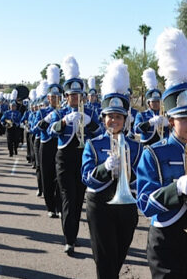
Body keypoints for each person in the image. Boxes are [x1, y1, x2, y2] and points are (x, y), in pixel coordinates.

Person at [82, 60, 142, 278]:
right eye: (110, 116)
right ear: (103, 118)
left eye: (118, 117)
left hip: (126, 207)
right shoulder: (93, 144)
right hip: (99, 205)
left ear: (125, 120)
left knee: (118, 257)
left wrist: (128, 172)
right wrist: (105, 168)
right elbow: (87, 177)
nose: (114, 120)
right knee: (105, 260)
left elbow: (141, 178)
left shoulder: (135, 147)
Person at [137, 27, 187, 278]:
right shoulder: (154, 154)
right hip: (166, 240)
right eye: (184, 119)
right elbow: (145, 203)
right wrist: (177, 188)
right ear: (170, 120)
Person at [49, 55, 101, 255]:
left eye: (79, 95)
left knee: (79, 198)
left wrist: (90, 122)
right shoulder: (60, 111)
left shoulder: (90, 112)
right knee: (68, 196)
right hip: (64, 157)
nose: (76, 98)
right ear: (67, 96)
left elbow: (99, 133)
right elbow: (53, 130)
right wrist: (64, 121)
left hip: (83, 157)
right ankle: (69, 238)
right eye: (72, 95)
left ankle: (73, 233)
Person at [36, 64, 63, 218]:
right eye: (52, 97)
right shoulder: (42, 111)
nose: (54, 99)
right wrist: (44, 121)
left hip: (60, 145)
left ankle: (59, 205)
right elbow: (34, 129)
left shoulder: (64, 111)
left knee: (59, 177)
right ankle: (50, 206)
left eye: (57, 97)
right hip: (46, 145)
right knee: (47, 176)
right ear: (48, 98)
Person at [134, 68, 169, 145]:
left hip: (163, 144)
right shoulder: (141, 115)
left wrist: (168, 124)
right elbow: (136, 129)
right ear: (148, 103)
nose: (156, 103)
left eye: (158, 101)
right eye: (153, 102)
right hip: (147, 144)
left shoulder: (166, 114)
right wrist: (150, 122)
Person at [0, 89, 22, 157]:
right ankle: (10, 152)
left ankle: (15, 148)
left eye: (14, 106)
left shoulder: (18, 113)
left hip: (15, 129)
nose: (13, 107)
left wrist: (16, 124)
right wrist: (5, 124)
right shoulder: (6, 113)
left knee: (16, 141)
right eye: (11, 106)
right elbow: (2, 120)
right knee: (9, 141)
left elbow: (19, 120)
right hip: (9, 128)